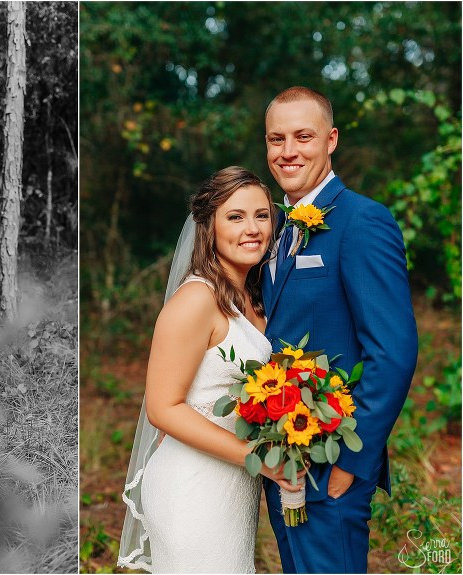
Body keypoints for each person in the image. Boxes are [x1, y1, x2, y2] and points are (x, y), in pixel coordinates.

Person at [261, 86, 417, 573]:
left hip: (331, 462)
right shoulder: (270, 227)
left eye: (303, 137)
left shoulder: (362, 221)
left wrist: (352, 460)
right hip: (281, 457)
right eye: (276, 139)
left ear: (331, 140)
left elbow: (392, 353)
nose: (288, 151)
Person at [118, 167, 305, 573]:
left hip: (234, 483)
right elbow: (163, 408)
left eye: (261, 215)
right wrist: (258, 457)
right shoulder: (196, 300)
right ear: (209, 228)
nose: (252, 228)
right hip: (192, 485)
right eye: (235, 217)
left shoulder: (253, 297)